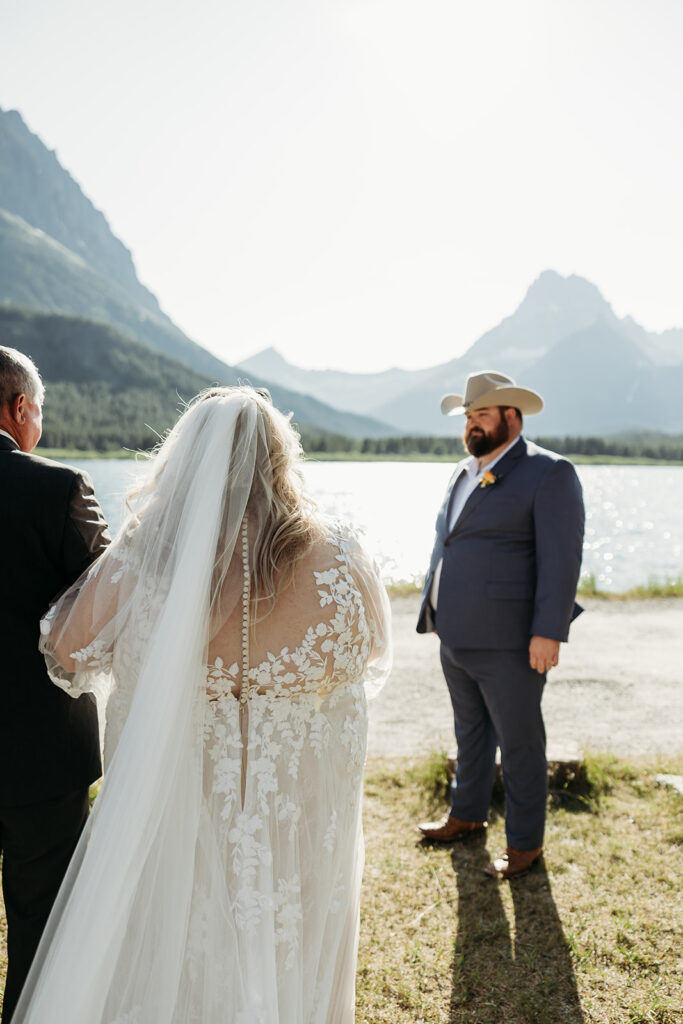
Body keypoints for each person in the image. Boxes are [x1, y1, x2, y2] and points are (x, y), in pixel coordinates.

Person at [12, 385, 391, 1024]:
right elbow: (372, 650)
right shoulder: (343, 554)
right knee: (279, 944)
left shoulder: (146, 556)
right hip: (291, 827)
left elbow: (65, 649)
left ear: (184, 461)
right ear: (280, 459)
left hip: (179, 823)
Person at [416, 370, 584, 879]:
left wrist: (549, 631)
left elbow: (561, 560)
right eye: (467, 416)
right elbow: (450, 543)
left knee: (520, 742)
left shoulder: (548, 473)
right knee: (469, 732)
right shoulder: (462, 472)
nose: (471, 424)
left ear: (512, 417)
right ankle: (466, 814)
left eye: (481, 414)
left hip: (512, 641)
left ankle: (525, 844)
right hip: (456, 634)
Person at [0, 347, 110, 1023]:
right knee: (40, 921)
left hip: (41, 751)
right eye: (38, 408)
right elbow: (110, 599)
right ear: (19, 408)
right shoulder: (58, 485)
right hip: (42, 748)